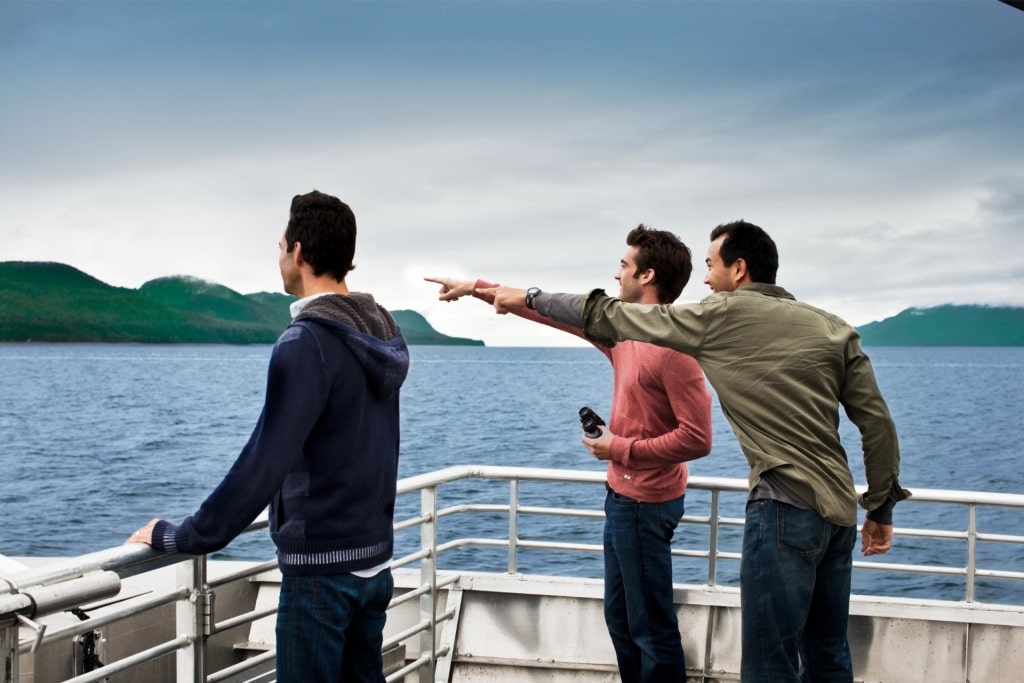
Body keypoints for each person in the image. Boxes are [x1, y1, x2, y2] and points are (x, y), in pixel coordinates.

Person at [481, 220, 909, 683]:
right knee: (828, 655)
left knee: (770, 662)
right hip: (840, 515)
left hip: (783, 508)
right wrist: (880, 507)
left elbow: (606, 316)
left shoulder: (718, 316)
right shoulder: (833, 328)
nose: (705, 279)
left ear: (739, 269)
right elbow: (877, 424)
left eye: (711, 266)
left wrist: (527, 295)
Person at [127, 190, 411, 682]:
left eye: (281, 247)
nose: (280, 258)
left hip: (321, 572)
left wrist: (186, 536)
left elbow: (264, 460)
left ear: (298, 252)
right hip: (373, 562)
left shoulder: (306, 343)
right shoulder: (379, 334)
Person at [426, 224, 713, 683]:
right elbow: (555, 314)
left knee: (650, 628)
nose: (616, 273)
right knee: (621, 620)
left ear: (647, 276)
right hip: (620, 499)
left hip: (648, 506)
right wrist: (479, 290)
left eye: (624, 265)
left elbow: (698, 438)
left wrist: (619, 447)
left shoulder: (675, 351)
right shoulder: (623, 332)